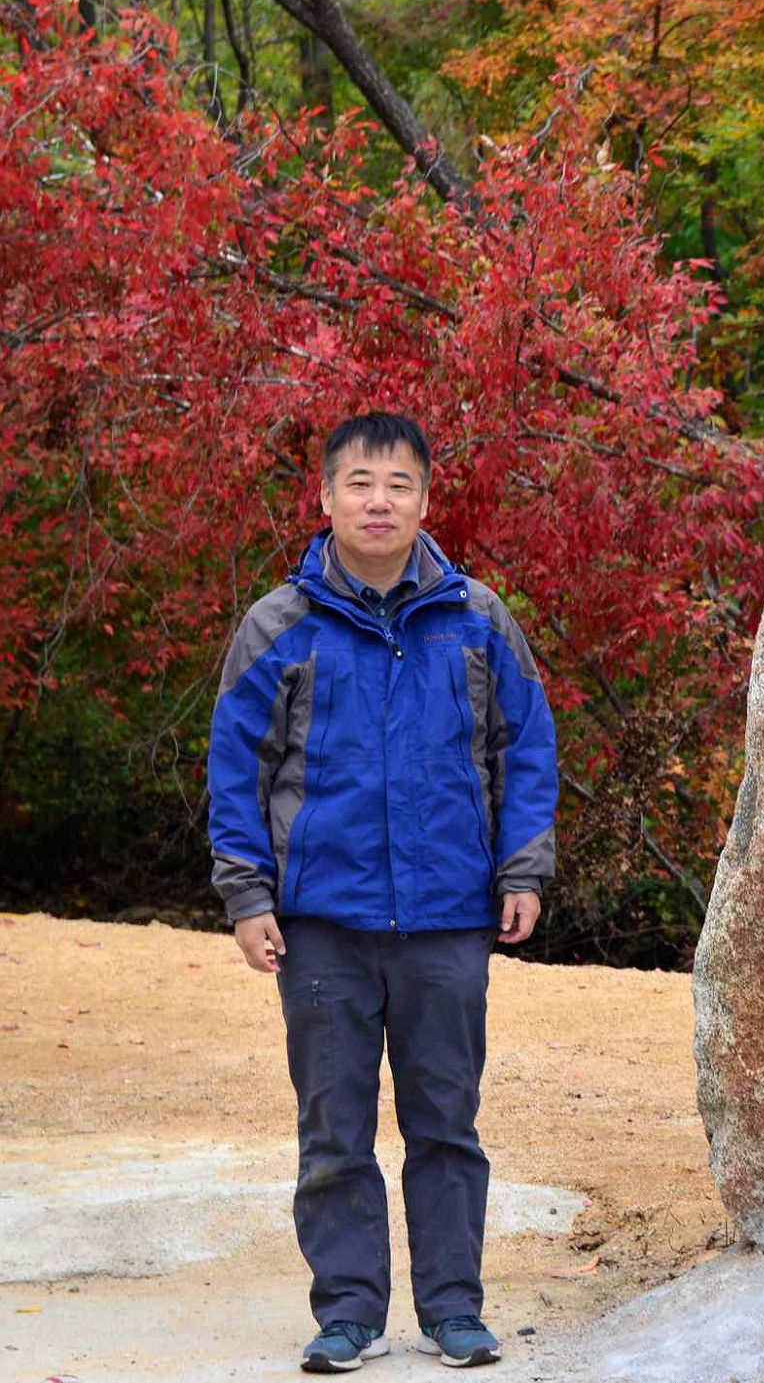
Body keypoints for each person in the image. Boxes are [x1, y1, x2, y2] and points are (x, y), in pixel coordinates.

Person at [206, 412, 558, 1373]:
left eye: (398, 484)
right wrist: (246, 894)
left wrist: (521, 868)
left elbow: (525, 747)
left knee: (447, 1121)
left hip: (449, 918)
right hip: (322, 923)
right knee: (334, 1130)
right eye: (358, 482)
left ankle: (453, 1308)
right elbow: (234, 768)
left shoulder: (477, 618)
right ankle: (349, 1312)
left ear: (425, 501)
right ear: (324, 498)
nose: (378, 500)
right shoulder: (280, 626)